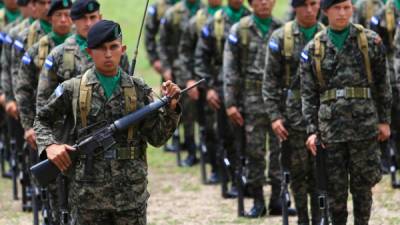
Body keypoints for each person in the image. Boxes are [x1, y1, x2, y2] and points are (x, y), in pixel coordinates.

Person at [34, 20, 181, 225]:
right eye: (102, 49)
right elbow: (42, 119)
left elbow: (157, 138)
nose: (109, 54)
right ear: (89, 52)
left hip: (130, 197)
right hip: (88, 198)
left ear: (123, 49)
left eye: (113, 47)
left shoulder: (138, 89)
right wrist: (50, 145)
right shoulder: (72, 89)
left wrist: (171, 109)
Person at [300, 0, 391, 224]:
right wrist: (312, 130)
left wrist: (384, 121)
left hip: (364, 129)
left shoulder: (370, 41)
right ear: (326, 11)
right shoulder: (314, 48)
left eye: (347, 8)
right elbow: (308, 94)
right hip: (330, 132)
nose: (342, 13)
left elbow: (383, 84)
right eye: (337, 8)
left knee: (363, 189)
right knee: (335, 193)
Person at [264, 0, 324, 223]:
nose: (309, 10)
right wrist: (274, 116)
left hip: (323, 117)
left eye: (314, 4)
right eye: (304, 5)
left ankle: (319, 217)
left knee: (321, 172)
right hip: (293, 118)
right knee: (298, 174)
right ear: (295, 7)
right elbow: (269, 81)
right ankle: (303, 218)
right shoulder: (281, 37)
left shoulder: (326, 36)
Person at [194, 0, 251, 198]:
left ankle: (250, 179)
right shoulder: (214, 23)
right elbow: (201, 58)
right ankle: (232, 178)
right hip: (221, 87)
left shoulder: (250, 19)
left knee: (250, 138)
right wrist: (208, 88)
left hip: (249, 89)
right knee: (227, 136)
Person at [179, 0, 223, 182]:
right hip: (206, 83)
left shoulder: (238, 18)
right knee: (209, 127)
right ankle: (215, 167)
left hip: (230, 84)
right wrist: (190, 79)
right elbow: (186, 52)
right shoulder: (197, 22)